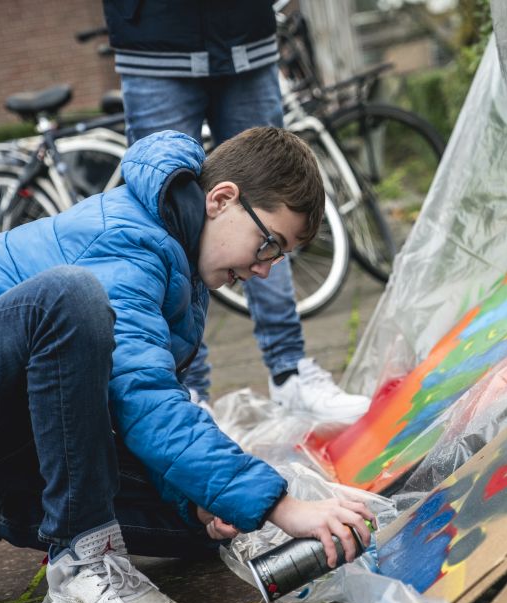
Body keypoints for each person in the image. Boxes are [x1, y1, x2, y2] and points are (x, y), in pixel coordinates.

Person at [0, 128, 375, 603]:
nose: (264, 268)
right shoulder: (129, 240)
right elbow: (146, 402)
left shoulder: (182, 261)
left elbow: (130, 405)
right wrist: (282, 506)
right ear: (221, 200)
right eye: (269, 244)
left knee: (207, 522)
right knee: (71, 297)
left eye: (279, 256)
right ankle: (81, 566)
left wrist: (204, 500)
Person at [104, 0, 371, 423]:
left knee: (273, 215)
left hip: (245, 33)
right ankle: (188, 392)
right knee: (167, 216)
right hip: (155, 38)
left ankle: (289, 370)